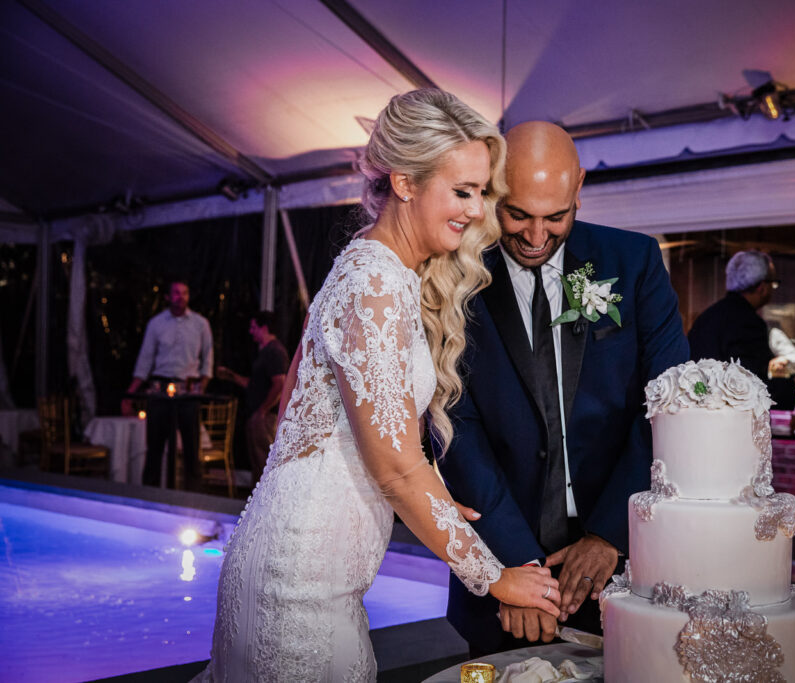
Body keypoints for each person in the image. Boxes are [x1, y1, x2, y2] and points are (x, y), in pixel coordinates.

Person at [192, 90, 560, 682]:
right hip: (299, 579)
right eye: (462, 190)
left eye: (481, 192)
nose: (474, 210)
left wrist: (424, 487)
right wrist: (493, 576)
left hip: (303, 559)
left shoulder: (374, 268)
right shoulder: (376, 282)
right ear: (406, 182)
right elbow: (392, 467)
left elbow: (298, 417)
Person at [434, 121, 689, 653]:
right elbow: (454, 425)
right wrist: (513, 567)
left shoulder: (634, 262)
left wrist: (611, 534)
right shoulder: (450, 274)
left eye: (556, 217)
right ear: (493, 189)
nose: (534, 237)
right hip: (504, 559)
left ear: (579, 187)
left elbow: (669, 405)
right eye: (517, 214)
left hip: (622, 561)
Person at [687, 250, 795, 410]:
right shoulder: (748, 322)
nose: (773, 289)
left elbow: (696, 378)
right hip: (728, 422)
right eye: (773, 284)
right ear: (761, 287)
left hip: (699, 414)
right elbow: (752, 387)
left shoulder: (707, 317)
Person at [123, 280, 213, 488]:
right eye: (176, 293)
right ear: (167, 296)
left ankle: (193, 499)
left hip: (188, 389)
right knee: (154, 447)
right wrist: (130, 393)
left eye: (184, 293)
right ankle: (150, 497)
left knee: (191, 447)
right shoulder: (156, 324)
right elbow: (145, 360)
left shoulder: (200, 324)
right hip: (160, 387)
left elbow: (208, 358)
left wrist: (202, 386)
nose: (180, 297)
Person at [216, 311, 289, 481]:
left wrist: (262, 411)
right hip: (258, 414)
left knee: (264, 462)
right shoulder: (264, 352)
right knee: (257, 464)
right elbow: (254, 384)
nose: (251, 331)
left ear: (264, 328)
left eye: (254, 327)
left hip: (265, 418)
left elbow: (280, 384)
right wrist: (231, 376)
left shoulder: (274, 351)